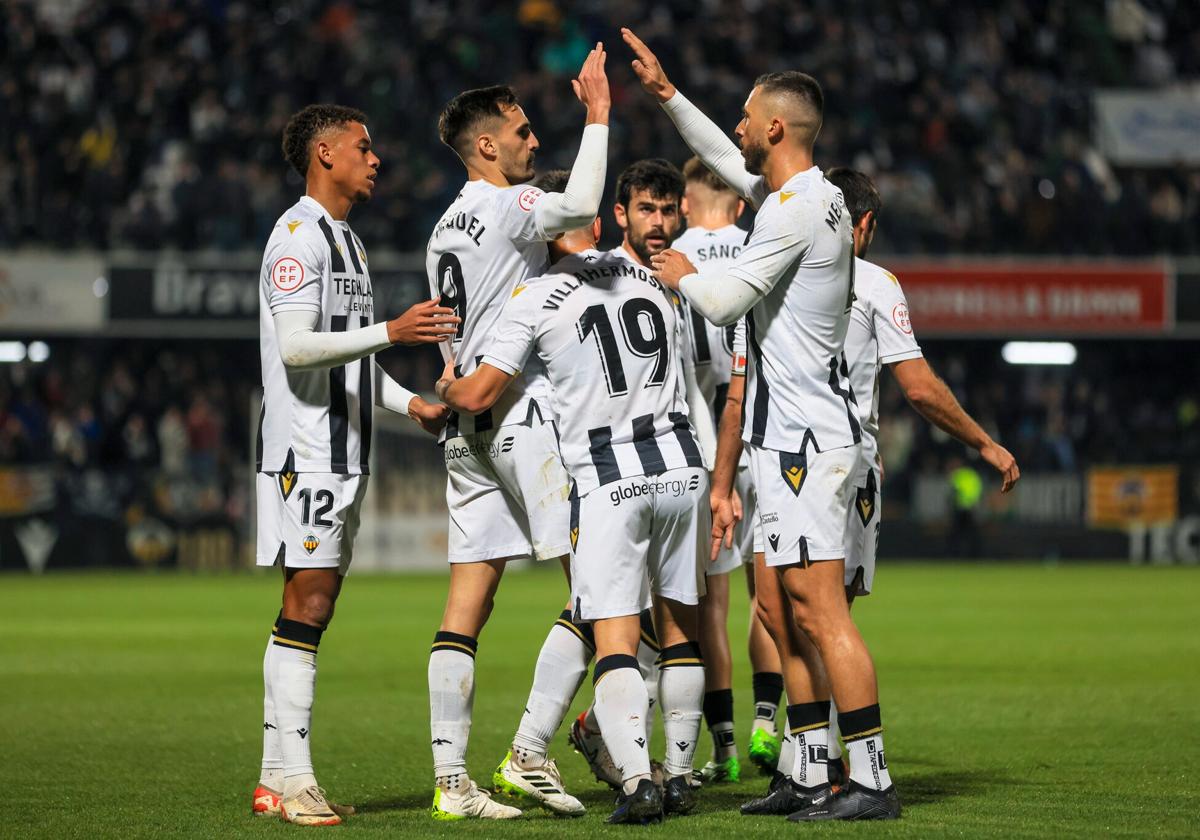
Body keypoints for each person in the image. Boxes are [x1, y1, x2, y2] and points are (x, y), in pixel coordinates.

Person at [623, 27, 898, 820]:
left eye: (747, 115)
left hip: (811, 440)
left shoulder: (798, 212)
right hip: (785, 441)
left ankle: (871, 777)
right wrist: (667, 93)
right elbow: (726, 155)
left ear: (777, 127)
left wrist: (679, 269)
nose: (738, 126)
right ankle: (809, 770)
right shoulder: (794, 198)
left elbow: (722, 301)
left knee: (818, 610)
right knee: (778, 610)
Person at [435, 199, 711, 824]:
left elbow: (480, 390)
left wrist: (448, 388)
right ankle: (681, 775)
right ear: (594, 227)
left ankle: (638, 780)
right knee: (676, 633)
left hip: (611, 477)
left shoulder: (534, 296)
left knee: (612, 635)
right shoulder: (648, 276)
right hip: (683, 465)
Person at [252, 104, 458, 827]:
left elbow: (351, 364)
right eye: (363, 148)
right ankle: (294, 780)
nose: (376, 160)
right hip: (305, 453)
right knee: (307, 604)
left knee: (315, 604)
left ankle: (276, 775)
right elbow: (298, 348)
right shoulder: (296, 237)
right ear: (324, 154)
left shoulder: (352, 245)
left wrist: (410, 405)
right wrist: (394, 329)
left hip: (343, 450)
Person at [424, 45, 611, 821]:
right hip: (520, 419)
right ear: (488, 145)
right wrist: (599, 112)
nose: (537, 143)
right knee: (599, 587)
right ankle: (530, 751)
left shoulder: (441, 229)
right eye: (525, 131)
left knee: (469, 600)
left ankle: (448, 782)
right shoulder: (510, 205)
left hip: (465, 429)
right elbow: (585, 200)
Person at [672, 157, 785, 783]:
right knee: (767, 598)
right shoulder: (759, 251)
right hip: (763, 444)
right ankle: (770, 723)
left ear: (684, 205)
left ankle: (722, 748)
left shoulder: (669, 261)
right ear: (739, 204)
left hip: (701, 450)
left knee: (709, 607)